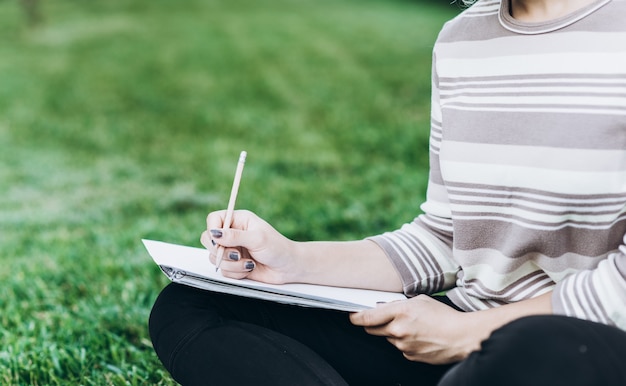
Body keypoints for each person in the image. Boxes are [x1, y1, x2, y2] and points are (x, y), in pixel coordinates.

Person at [149, 0, 626, 384]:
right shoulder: (463, 39)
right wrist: (291, 261)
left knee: (534, 348)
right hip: (462, 336)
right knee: (193, 304)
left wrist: (469, 334)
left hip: (582, 343)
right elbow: (445, 237)